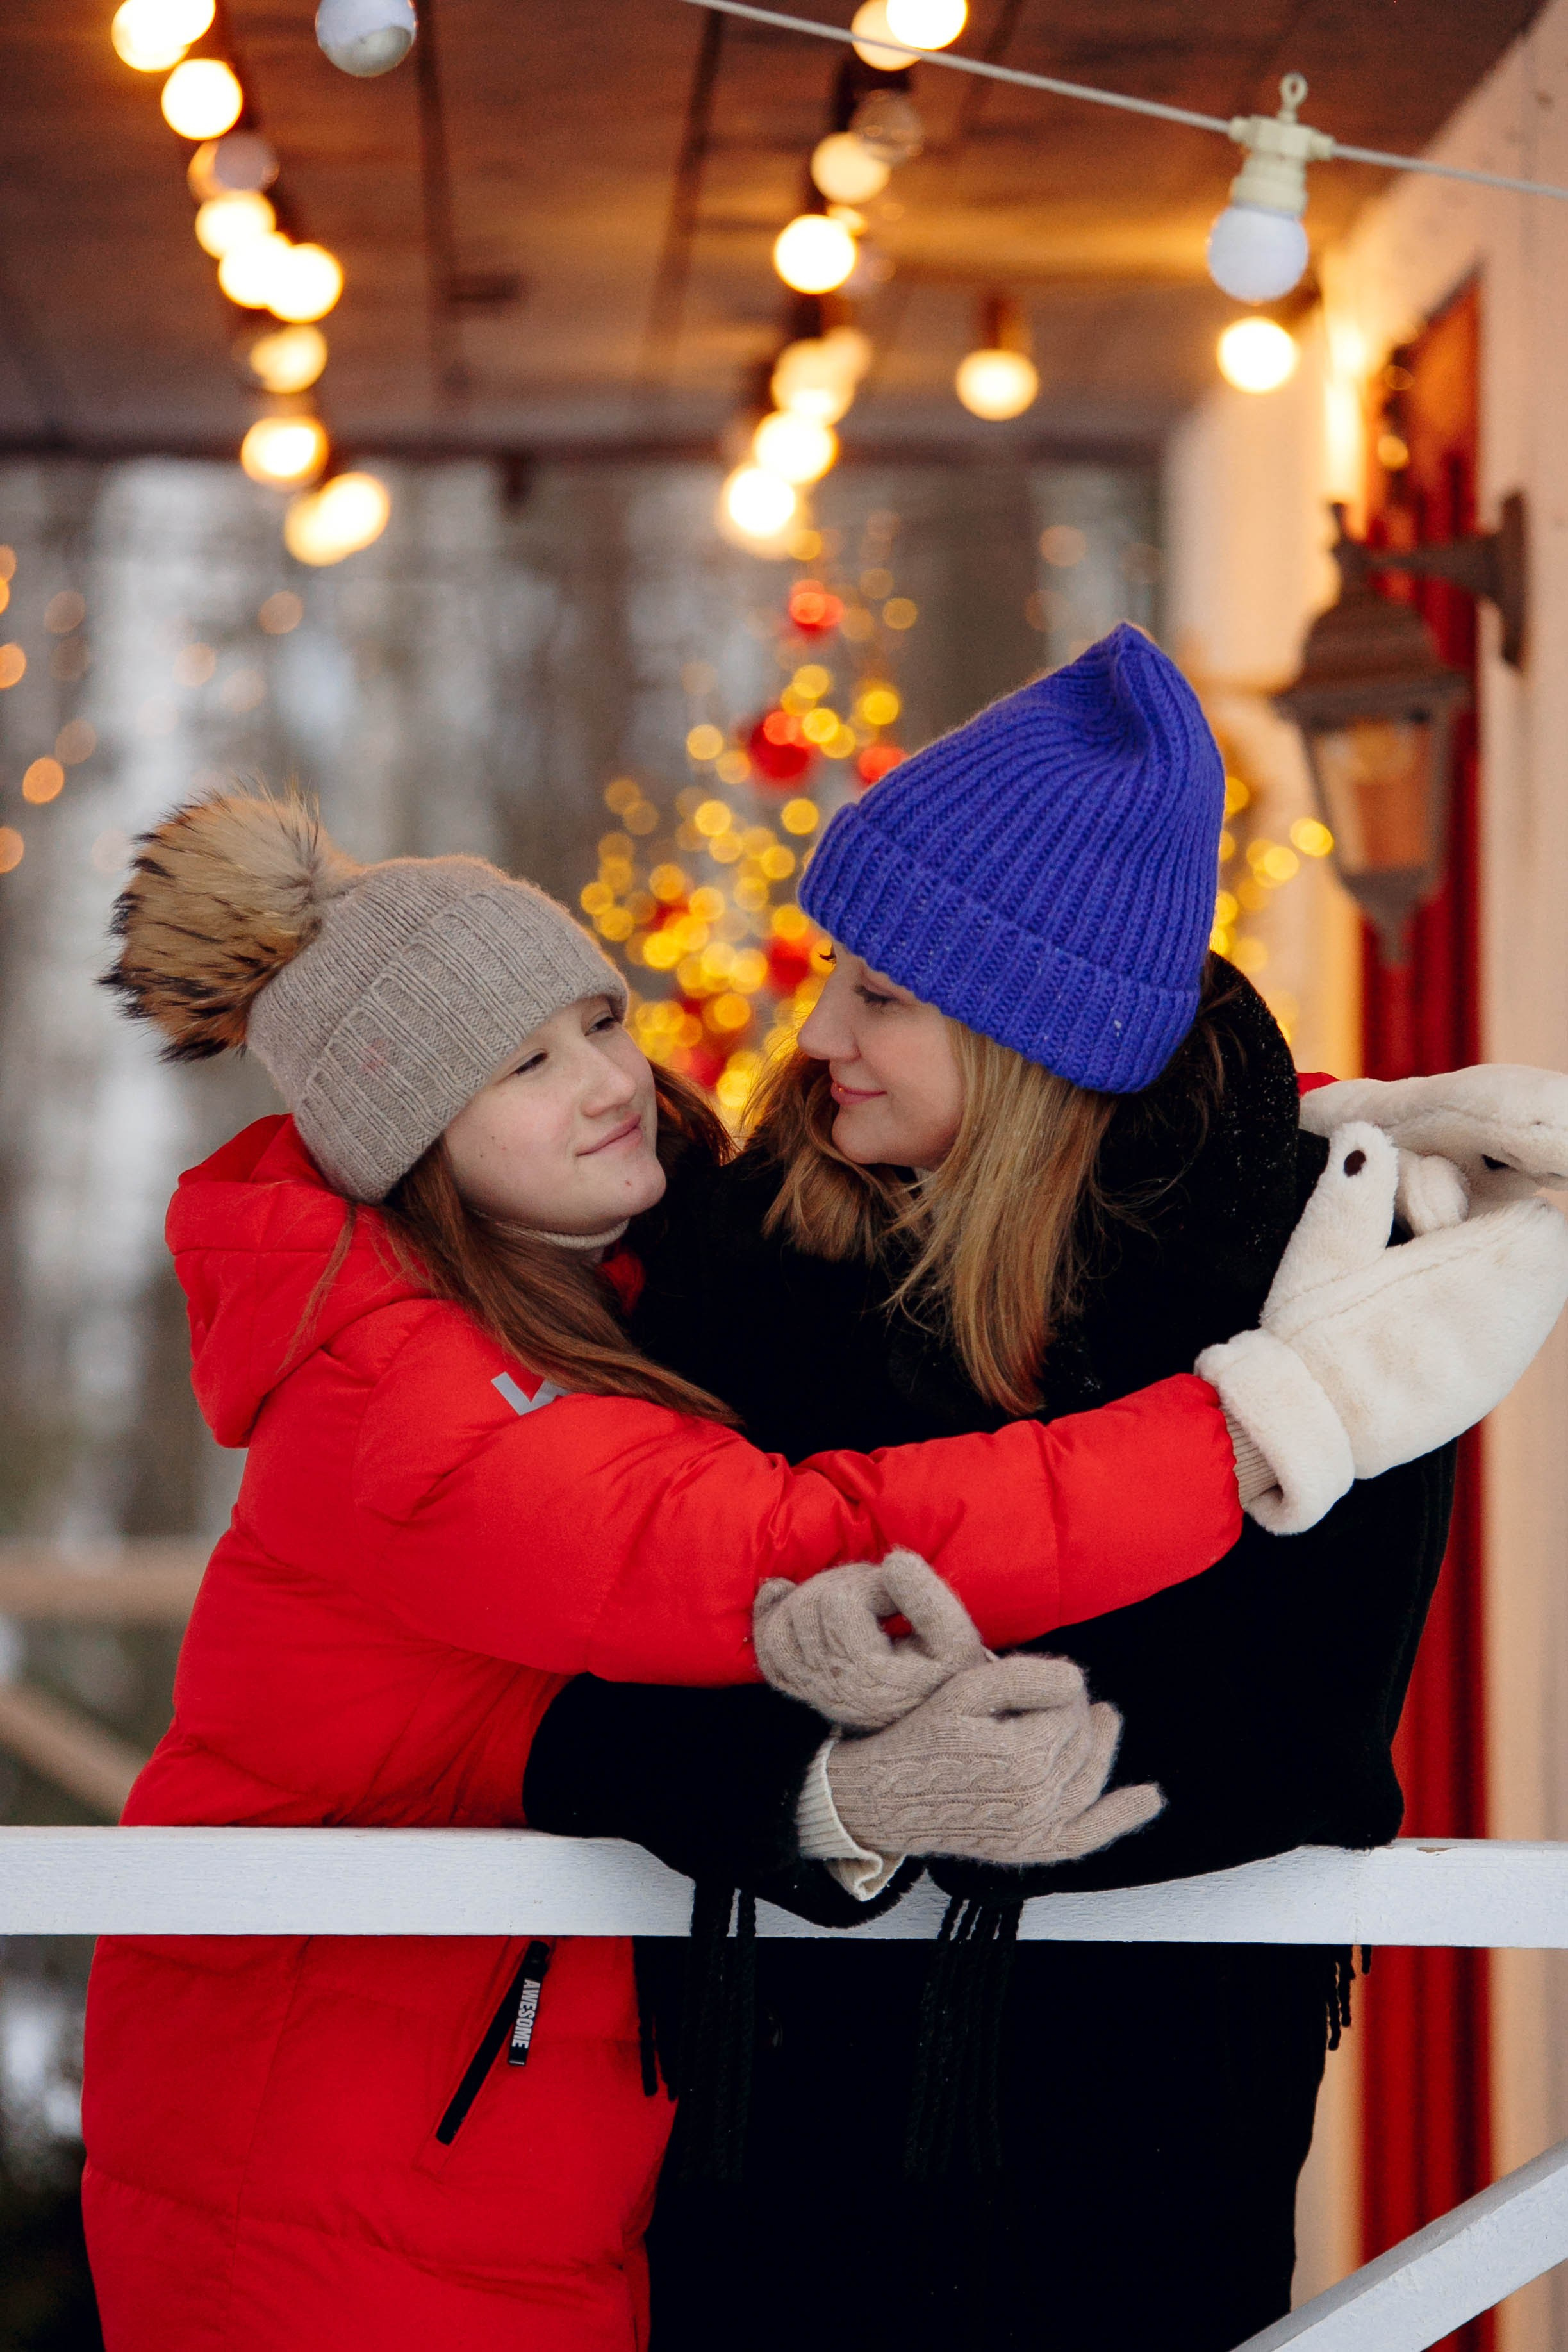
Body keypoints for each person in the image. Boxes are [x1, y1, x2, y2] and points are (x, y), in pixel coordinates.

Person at [77, 777, 1533, 2352]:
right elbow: (778, 1553)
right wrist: (1265, 1421)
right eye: (521, 1063)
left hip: (562, 2126)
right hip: (356, 2140)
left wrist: (1315, 1115)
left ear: (1034, 1028)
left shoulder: (614, 1277)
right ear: (410, 1137)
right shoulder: (433, 1387)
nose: (614, 1079)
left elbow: (1283, 1727)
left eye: (598, 1021)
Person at [521, 626, 1568, 2350]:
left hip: (1138, 2140)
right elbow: (602, 1679)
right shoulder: (748, 1251)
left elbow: (1294, 1732)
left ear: (1028, 1031)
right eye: (837, 971)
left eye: (882, 994)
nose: (818, 1028)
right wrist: (840, 1792)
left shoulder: (1316, 1259)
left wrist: (876, 1721)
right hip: (769, 2132)